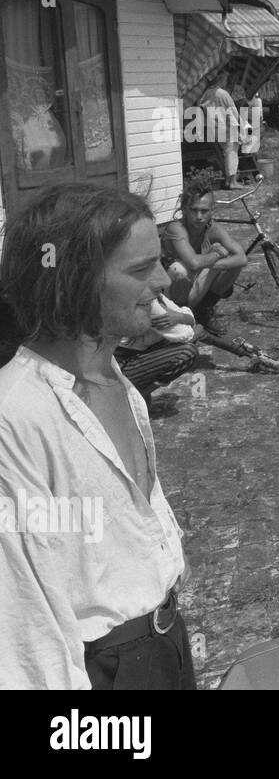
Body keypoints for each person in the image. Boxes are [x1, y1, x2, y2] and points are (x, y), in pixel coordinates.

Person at [0, 182, 193, 689]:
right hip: (100, 671)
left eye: (159, 260)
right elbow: (24, 617)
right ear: (73, 282)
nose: (162, 281)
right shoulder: (16, 416)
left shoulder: (114, 379)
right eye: (138, 269)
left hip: (162, 643)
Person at [161, 175, 248, 335]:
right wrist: (216, 255)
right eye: (194, 210)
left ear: (211, 211)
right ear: (185, 209)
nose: (199, 216)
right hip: (169, 294)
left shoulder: (213, 228)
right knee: (179, 268)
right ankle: (183, 313)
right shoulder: (176, 228)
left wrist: (213, 263)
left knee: (233, 265)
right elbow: (193, 263)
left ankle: (203, 310)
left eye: (204, 211)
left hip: (194, 286)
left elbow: (242, 258)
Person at [114, 293, 199, 413]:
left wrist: (181, 317)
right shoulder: (144, 299)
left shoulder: (155, 294)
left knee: (165, 342)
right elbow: (188, 335)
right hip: (118, 367)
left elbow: (188, 316)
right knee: (187, 353)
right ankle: (130, 401)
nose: (166, 281)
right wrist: (187, 320)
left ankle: (139, 398)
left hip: (132, 357)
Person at [199, 72, 241, 189]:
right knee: (231, 153)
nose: (226, 81)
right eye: (225, 78)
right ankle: (232, 182)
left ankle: (228, 181)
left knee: (226, 153)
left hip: (214, 127)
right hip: (227, 127)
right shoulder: (223, 94)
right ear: (220, 79)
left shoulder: (206, 93)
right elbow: (233, 112)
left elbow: (201, 107)